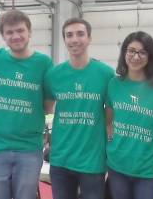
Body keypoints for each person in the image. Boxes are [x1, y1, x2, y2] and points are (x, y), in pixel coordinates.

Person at [0, 9, 52, 199]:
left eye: (20, 30)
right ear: (3, 36)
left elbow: (48, 104)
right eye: (9, 32)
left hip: (29, 148)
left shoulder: (43, 63)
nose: (15, 36)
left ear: (29, 32)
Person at [44, 17, 114, 199]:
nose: (75, 39)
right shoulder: (54, 74)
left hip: (92, 161)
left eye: (80, 34)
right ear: (65, 40)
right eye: (69, 35)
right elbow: (47, 107)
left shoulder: (105, 73)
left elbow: (111, 111)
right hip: (60, 160)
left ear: (89, 38)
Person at [105, 31, 153, 199]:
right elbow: (109, 118)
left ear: (150, 56)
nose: (136, 56)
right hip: (117, 166)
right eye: (131, 50)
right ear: (124, 53)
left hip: (147, 171)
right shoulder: (114, 84)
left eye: (142, 52)